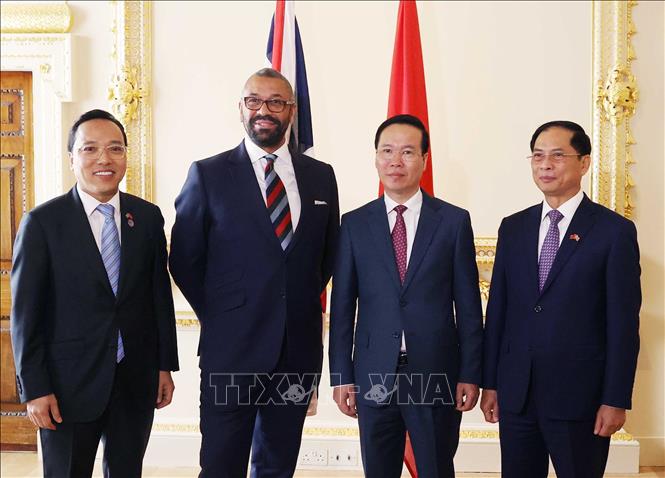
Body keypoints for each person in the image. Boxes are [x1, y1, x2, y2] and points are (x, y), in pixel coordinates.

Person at [169, 68, 340, 478]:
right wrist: (226, 313)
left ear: (292, 111)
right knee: (220, 466)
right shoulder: (208, 174)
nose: (264, 110)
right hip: (231, 353)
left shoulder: (320, 176)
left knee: (277, 466)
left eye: (276, 102)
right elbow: (185, 260)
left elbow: (325, 257)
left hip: (296, 355)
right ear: (241, 108)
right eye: (254, 101)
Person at [10, 109, 179, 478]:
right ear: (72, 158)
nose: (104, 159)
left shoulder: (146, 218)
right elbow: (25, 316)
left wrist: (163, 365)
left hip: (135, 380)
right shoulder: (42, 224)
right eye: (90, 149)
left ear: (126, 156)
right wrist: (34, 389)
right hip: (66, 386)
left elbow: (158, 297)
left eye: (115, 148)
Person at [480, 120, 641, 478]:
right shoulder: (514, 227)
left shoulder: (613, 232)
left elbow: (623, 325)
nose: (545, 165)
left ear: (584, 163)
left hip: (580, 398)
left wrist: (615, 398)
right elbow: (499, 312)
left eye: (557, 155)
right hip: (517, 395)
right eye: (537, 156)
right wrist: (490, 383)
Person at [329, 114, 483, 478]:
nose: (396, 161)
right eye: (387, 151)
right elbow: (342, 306)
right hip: (373, 372)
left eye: (408, 152)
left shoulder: (453, 222)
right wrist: (340, 375)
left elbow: (468, 307)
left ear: (425, 160)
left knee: (435, 469)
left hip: (435, 370)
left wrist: (470, 372)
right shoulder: (354, 224)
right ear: (376, 158)